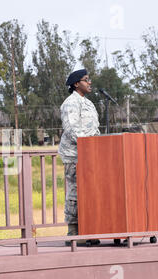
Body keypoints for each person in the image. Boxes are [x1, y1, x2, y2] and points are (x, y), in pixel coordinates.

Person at [58, 69, 100, 245]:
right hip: (75, 155)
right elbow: (72, 130)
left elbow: (95, 129)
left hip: (91, 156)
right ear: (76, 84)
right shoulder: (71, 103)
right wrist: (87, 145)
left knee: (91, 192)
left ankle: (90, 230)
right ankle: (74, 232)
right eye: (86, 80)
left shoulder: (89, 104)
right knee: (76, 192)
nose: (89, 83)